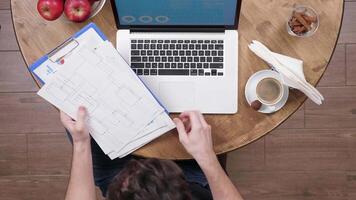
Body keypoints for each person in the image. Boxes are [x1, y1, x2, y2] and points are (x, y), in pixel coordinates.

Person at [61, 106, 244, 200]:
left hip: (118, 178)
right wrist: (207, 157)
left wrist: (81, 143)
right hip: (192, 181)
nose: (139, 164)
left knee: (81, 122)